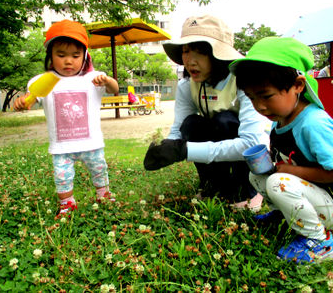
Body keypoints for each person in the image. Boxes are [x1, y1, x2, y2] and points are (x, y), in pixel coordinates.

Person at [143, 14, 270, 208]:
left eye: (200, 51)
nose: (190, 61)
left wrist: (185, 150)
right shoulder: (187, 86)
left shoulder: (244, 81)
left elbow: (251, 142)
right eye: (185, 51)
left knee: (224, 120)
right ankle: (213, 186)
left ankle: (249, 190)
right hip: (219, 139)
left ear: (219, 55)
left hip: (256, 154)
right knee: (192, 124)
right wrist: (168, 146)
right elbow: (180, 128)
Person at [230, 36, 333, 263]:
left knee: (279, 182)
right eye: (251, 98)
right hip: (312, 194)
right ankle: (284, 215)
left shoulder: (313, 123)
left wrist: (289, 171)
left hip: (330, 203)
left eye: (266, 96)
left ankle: (320, 240)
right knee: (257, 175)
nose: (260, 106)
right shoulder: (281, 119)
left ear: (298, 85)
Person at [14, 20, 119, 216]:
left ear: (85, 56)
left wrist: (107, 81)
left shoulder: (94, 78)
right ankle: (67, 203)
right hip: (61, 147)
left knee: (99, 169)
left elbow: (115, 89)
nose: (68, 61)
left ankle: (103, 194)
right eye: (61, 55)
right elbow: (29, 100)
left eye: (75, 55)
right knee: (62, 177)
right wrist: (22, 103)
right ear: (51, 57)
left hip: (91, 143)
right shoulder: (43, 81)